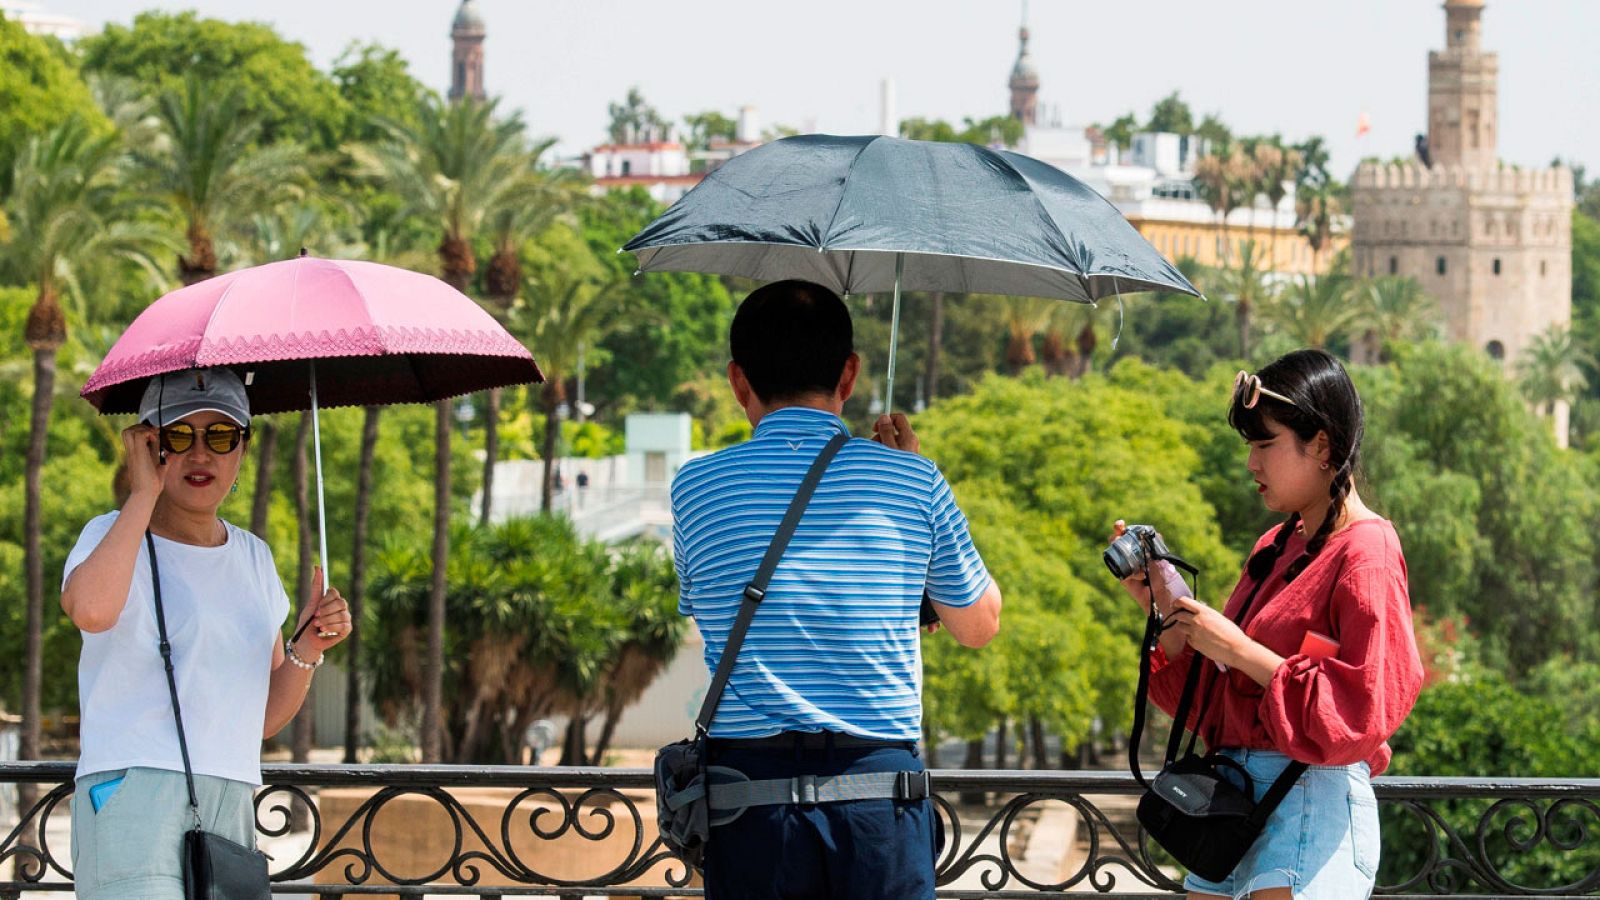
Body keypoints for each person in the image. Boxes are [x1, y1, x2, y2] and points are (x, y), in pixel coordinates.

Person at [671, 280, 1002, 899]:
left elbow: (706, 608)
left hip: (748, 811)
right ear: (848, 374)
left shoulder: (696, 486)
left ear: (738, 380)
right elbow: (979, 625)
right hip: (881, 806)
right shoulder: (912, 480)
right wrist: (909, 475)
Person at [1114, 349, 1423, 900]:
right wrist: (1166, 611)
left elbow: (1364, 709)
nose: (1251, 465)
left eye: (1264, 445)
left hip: (1306, 796)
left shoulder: (1367, 551)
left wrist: (1237, 649)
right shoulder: (1277, 545)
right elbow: (1213, 700)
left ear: (1322, 445)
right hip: (1230, 800)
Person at [59, 367, 350, 900]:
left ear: (242, 447)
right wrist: (142, 494)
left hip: (229, 795)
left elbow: (258, 717)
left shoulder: (254, 558)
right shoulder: (109, 535)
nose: (200, 455)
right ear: (149, 444)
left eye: (220, 436)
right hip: (131, 789)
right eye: (177, 436)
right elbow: (90, 611)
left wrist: (308, 647)